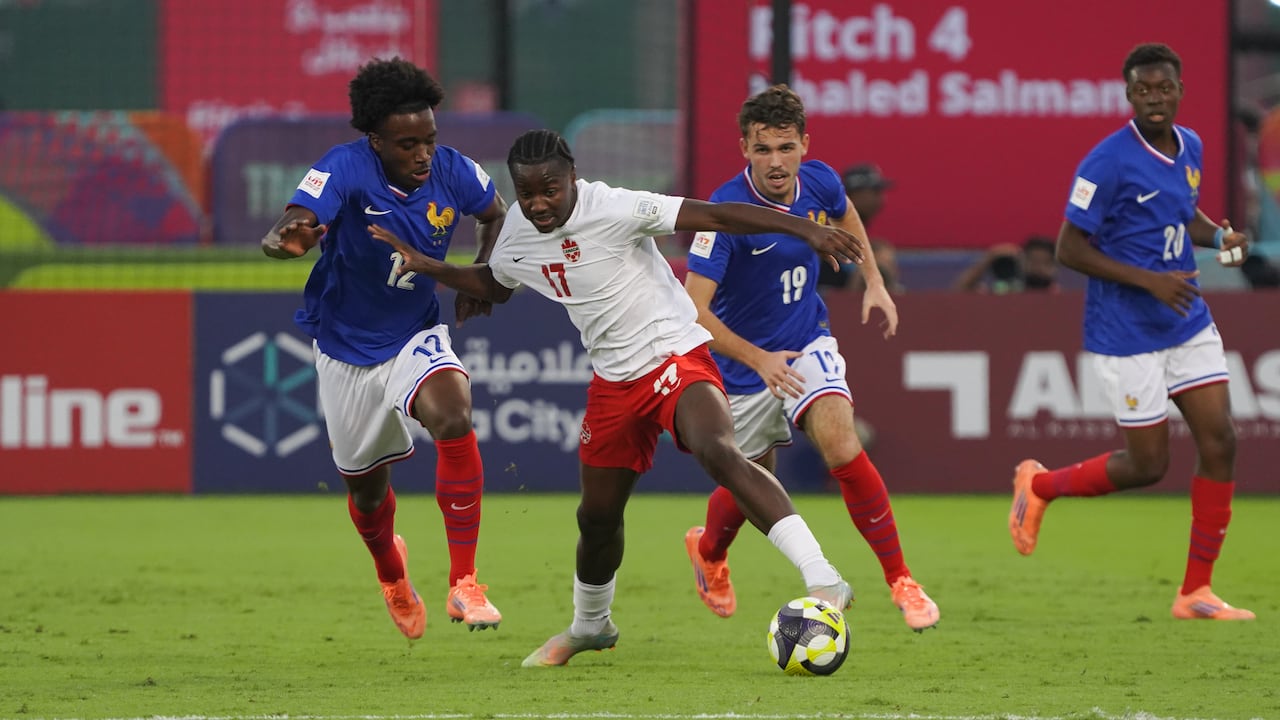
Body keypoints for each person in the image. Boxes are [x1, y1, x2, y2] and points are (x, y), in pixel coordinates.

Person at [370, 128, 864, 667]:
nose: (538, 204)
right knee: (597, 517)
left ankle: (824, 578)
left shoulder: (618, 207)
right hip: (613, 383)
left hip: (675, 355)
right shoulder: (516, 231)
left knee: (719, 450)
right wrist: (436, 269)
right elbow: (497, 282)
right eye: (527, 192)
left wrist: (805, 231)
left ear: (572, 178)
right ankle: (591, 625)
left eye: (550, 190)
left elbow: (719, 217)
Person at [261, 57, 507, 638]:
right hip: (344, 348)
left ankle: (465, 584)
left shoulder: (455, 172)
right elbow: (295, 221)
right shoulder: (344, 167)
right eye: (407, 144)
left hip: (413, 336)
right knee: (368, 499)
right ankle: (393, 575)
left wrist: (482, 271)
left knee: (452, 414)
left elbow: (496, 215)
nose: (423, 154)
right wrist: (285, 239)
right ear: (375, 140)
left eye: (429, 139)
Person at [1008, 43, 1255, 621]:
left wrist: (1218, 238)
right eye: (1143, 90)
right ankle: (1039, 487)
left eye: (1163, 88)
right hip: (1126, 331)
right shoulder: (1107, 161)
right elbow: (1071, 249)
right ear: (1128, 94)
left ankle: (1195, 591)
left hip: (1186, 318)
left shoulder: (1190, 145)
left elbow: (1181, 211)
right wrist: (1150, 282)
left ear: (1179, 89)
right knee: (1148, 465)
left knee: (1221, 440)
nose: (1154, 98)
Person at [681, 84, 940, 633]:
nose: (775, 162)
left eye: (785, 147)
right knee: (750, 484)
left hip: (808, 341)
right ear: (744, 150)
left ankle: (901, 580)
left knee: (841, 441)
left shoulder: (820, 179)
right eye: (762, 149)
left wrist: (873, 281)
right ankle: (707, 551)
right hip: (743, 370)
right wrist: (759, 359)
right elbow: (694, 311)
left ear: (804, 145)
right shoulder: (724, 215)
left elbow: (846, 219)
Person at [817, 163, 893, 291]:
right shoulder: (828, 235)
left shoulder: (862, 238)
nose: (881, 198)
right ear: (853, 195)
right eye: (875, 191)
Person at [952, 235, 1059, 293]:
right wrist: (990, 258)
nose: (1038, 268)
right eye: (1033, 261)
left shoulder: (1058, 297)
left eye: (1045, 263)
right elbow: (961, 291)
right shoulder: (1006, 292)